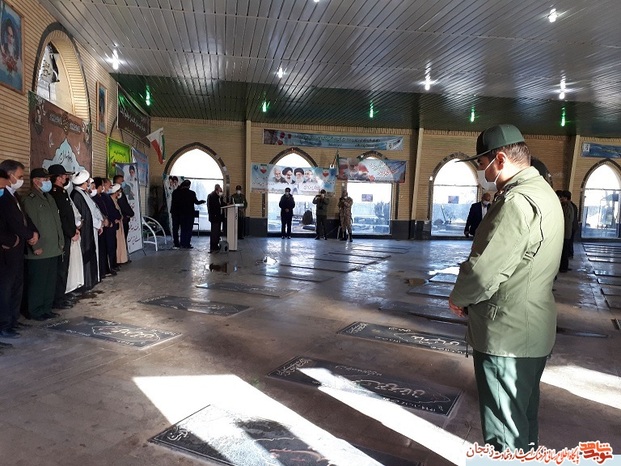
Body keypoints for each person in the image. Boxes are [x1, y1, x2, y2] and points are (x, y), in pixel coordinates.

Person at [448, 124, 563, 452]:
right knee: (522, 420)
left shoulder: (515, 202)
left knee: (503, 433)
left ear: (500, 159)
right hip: (532, 329)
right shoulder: (544, 195)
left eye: (482, 163)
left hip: (507, 334)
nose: (481, 172)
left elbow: (484, 271)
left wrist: (459, 297)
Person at [0, 160, 38, 337]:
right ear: (9, 175)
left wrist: (33, 233)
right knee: (5, 289)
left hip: (18, 250)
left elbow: (24, 219)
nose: (22, 180)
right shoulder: (2, 196)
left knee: (16, 286)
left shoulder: (14, 195)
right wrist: (12, 240)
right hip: (7, 251)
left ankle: (13, 320)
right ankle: (4, 325)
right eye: (20, 176)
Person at [21, 168, 65, 321]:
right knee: (38, 283)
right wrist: (35, 246)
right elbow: (30, 225)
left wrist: (60, 241)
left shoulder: (49, 197)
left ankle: (46, 308)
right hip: (40, 249)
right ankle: (35, 310)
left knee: (50, 282)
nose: (48, 182)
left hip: (53, 248)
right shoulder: (29, 199)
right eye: (45, 179)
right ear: (35, 181)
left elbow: (56, 222)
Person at [48, 164, 79, 310]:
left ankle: (61, 295)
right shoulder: (55, 193)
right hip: (62, 236)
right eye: (64, 175)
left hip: (67, 234)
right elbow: (62, 218)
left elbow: (69, 215)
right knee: (61, 268)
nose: (66, 177)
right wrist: (71, 233)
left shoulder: (62, 192)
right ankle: (57, 299)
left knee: (65, 267)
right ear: (58, 178)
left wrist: (74, 230)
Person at [70, 170, 103, 290]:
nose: (89, 183)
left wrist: (100, 223)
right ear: (84, 182)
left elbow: (93, 210)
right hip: (86, 231)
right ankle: (87, 282)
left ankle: (92, 279)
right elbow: (85, 215)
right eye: (88, 181)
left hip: (93, 229)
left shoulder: (84, 193)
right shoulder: (76, 195)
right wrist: (98, 224)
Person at [170, 180, 206, 249]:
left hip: (176, 214)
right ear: (189, 186)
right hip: (187, 214)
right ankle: (186, 244)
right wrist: (202, 201)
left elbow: (173, 203)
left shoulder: (175, 192)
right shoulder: (191, 193)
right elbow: (196, 202)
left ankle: (176, 244)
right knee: (187, 229)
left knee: (175, 229)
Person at [113, 174, 135, 248]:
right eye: (122, 181)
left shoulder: (121, 192)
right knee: (121, 240)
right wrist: (130, 213)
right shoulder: (118, 194)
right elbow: (123, 205)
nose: (123, 182)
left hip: (124, 218)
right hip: (122, 219)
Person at [109, 184, 129, 264]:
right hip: (116, 224)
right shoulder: (111, 200)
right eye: (118, 192)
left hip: (119, 224)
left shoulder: (116, 200)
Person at [556, 190, 574, 273]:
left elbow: (565, 220)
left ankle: (563, 267)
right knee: (564, 251)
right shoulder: (568, 206)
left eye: (562, 197)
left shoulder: (567, 207)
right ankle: (563, 267)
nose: (561, 198)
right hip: (566, 232)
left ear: (566, 198)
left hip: (565, 233)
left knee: (564, 251)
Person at [207, 183, 225, 253]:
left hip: (219, 217)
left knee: (217, 232)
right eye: (220, 191)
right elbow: (213, 207)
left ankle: (216, 245)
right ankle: (213, 246)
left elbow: (221, 204)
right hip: (214, 217)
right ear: (216, 190)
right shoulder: (212, 196)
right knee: (214, 232)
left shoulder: (219, 197)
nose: (221, 192)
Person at [565, 190, 579, 258]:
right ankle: (570, 254)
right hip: (574, 226)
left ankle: (569, 254)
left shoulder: (569, 206)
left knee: (569, 242)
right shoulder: (573, 205)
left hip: (571, 227)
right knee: (570, 241)